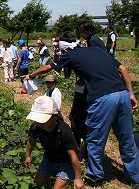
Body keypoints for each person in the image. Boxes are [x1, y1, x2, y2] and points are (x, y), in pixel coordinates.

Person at [26, 31, 139, 187]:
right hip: (122, 94)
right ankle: (134, 177)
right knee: (127, 138)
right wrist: (131, 95)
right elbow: (124, 69)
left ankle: (96, 178)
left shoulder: (70, 54)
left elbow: (47, 67)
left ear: (64, 49)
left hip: (102, 98)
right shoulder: (98, 50)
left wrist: (30, 75)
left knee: (95, 139)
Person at [25, 96, 84, 189]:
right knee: (38, 181)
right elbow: (31, 141)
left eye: (42, 119)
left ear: (55, 116)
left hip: (66, 161)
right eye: (37, 119)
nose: (39, 123)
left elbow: (73, 156)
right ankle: (55, 173)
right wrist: (28, 156)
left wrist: (78, 178)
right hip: (50, 157)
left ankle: (63, 177)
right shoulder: (36, 126)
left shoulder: (64, 132)